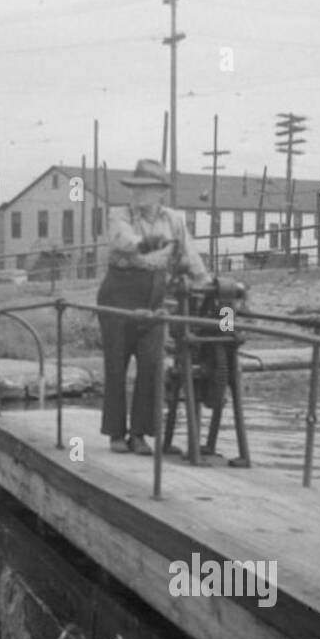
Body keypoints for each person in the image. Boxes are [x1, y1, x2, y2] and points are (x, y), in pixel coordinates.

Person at [98, 159, 210, 455]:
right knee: (116, 364)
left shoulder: (174, 219)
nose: (137, 194)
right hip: (118, 294)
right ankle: (115, 434)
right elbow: (123, 240)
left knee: (151, 364)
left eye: (144, 189)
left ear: (160, 191)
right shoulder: (118, 214)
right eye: (134, 188)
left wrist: (205, 281)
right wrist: (145, 244)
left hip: (154, 296)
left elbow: (190, 252)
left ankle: (140, 434)